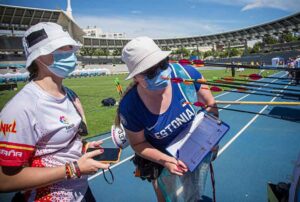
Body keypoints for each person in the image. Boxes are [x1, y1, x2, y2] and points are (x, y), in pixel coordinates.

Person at [0, 22, 109, 201]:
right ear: (38, 57)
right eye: (61, 48)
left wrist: (83, 147)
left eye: (71, 47)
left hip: (82, 192)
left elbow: (58, 144)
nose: (70, 52)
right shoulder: (21, 108)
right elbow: (4, 181)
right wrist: (73, 169)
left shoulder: (70, 94)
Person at [115, 36, 219, 201]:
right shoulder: (130, 107)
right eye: (150, 72)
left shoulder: (186, 73)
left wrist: (210, 136)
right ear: (136, 78)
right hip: (162, 160)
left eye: (163, 64)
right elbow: (138, 143)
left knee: (194, 195)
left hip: (195, 149)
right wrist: (166, 161)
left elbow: (210, 103)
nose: (162, 74)